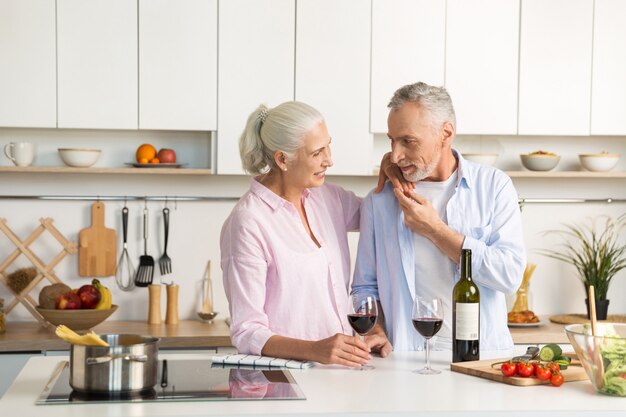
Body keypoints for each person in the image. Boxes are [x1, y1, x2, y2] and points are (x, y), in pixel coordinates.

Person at [220, 101, 401, 367]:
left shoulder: (328, 198)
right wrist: (315, 349)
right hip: (287, 380)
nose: (329, 160)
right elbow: (247, 331)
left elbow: (380, 219)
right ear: (283, 159)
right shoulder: (248, 222)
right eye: (317, 152)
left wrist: (391, 172)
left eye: (328, 146)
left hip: (342, 374)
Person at [352, 82, 526, 355]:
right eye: (392, 141)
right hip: (403, 359)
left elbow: (509, 275)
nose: (395, 155)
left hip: (481, 359)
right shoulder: (381, 199)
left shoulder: (494, 187)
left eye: (408, 141)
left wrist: (435, 230)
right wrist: (374, 330)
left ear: (446, 133)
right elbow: (365, 287)